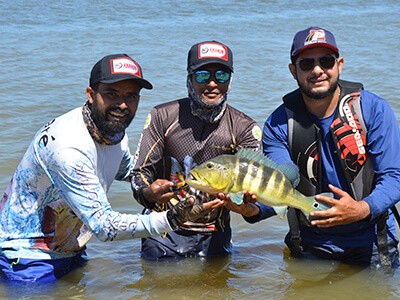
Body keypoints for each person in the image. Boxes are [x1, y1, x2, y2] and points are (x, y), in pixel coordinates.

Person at [0, 54, 223, 283]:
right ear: (90, 94)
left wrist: (165, 183)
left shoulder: (112, 130)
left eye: (131, 96)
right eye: (112, 94)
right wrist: (173, 218)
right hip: (27, 258)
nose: (122, 105)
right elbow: (105, 227)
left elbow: (126, 170)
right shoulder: (68, 147)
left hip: (71, 249)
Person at [261, 26, 400, 268]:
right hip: (310, 245)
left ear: (340, 65)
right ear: (293, 71)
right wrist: (252, 210)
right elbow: (280, 189)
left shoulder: (373, 110)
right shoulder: (277, 124)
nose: (317, 70)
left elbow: (395, 177)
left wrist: (361, 209)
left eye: (326, 61)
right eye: (306, 64)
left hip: (372, 243)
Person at [131, 41, 274, 260]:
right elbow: (139, 173)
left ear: (231, 80)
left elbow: (259, 189)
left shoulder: (245, 128)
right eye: (202, 75)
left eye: (222, 75)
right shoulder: (162, 117)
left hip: (215, 234)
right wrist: (148, 193)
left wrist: (249, 208)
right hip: (163, 231)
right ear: (189, 78)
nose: (213, 84)